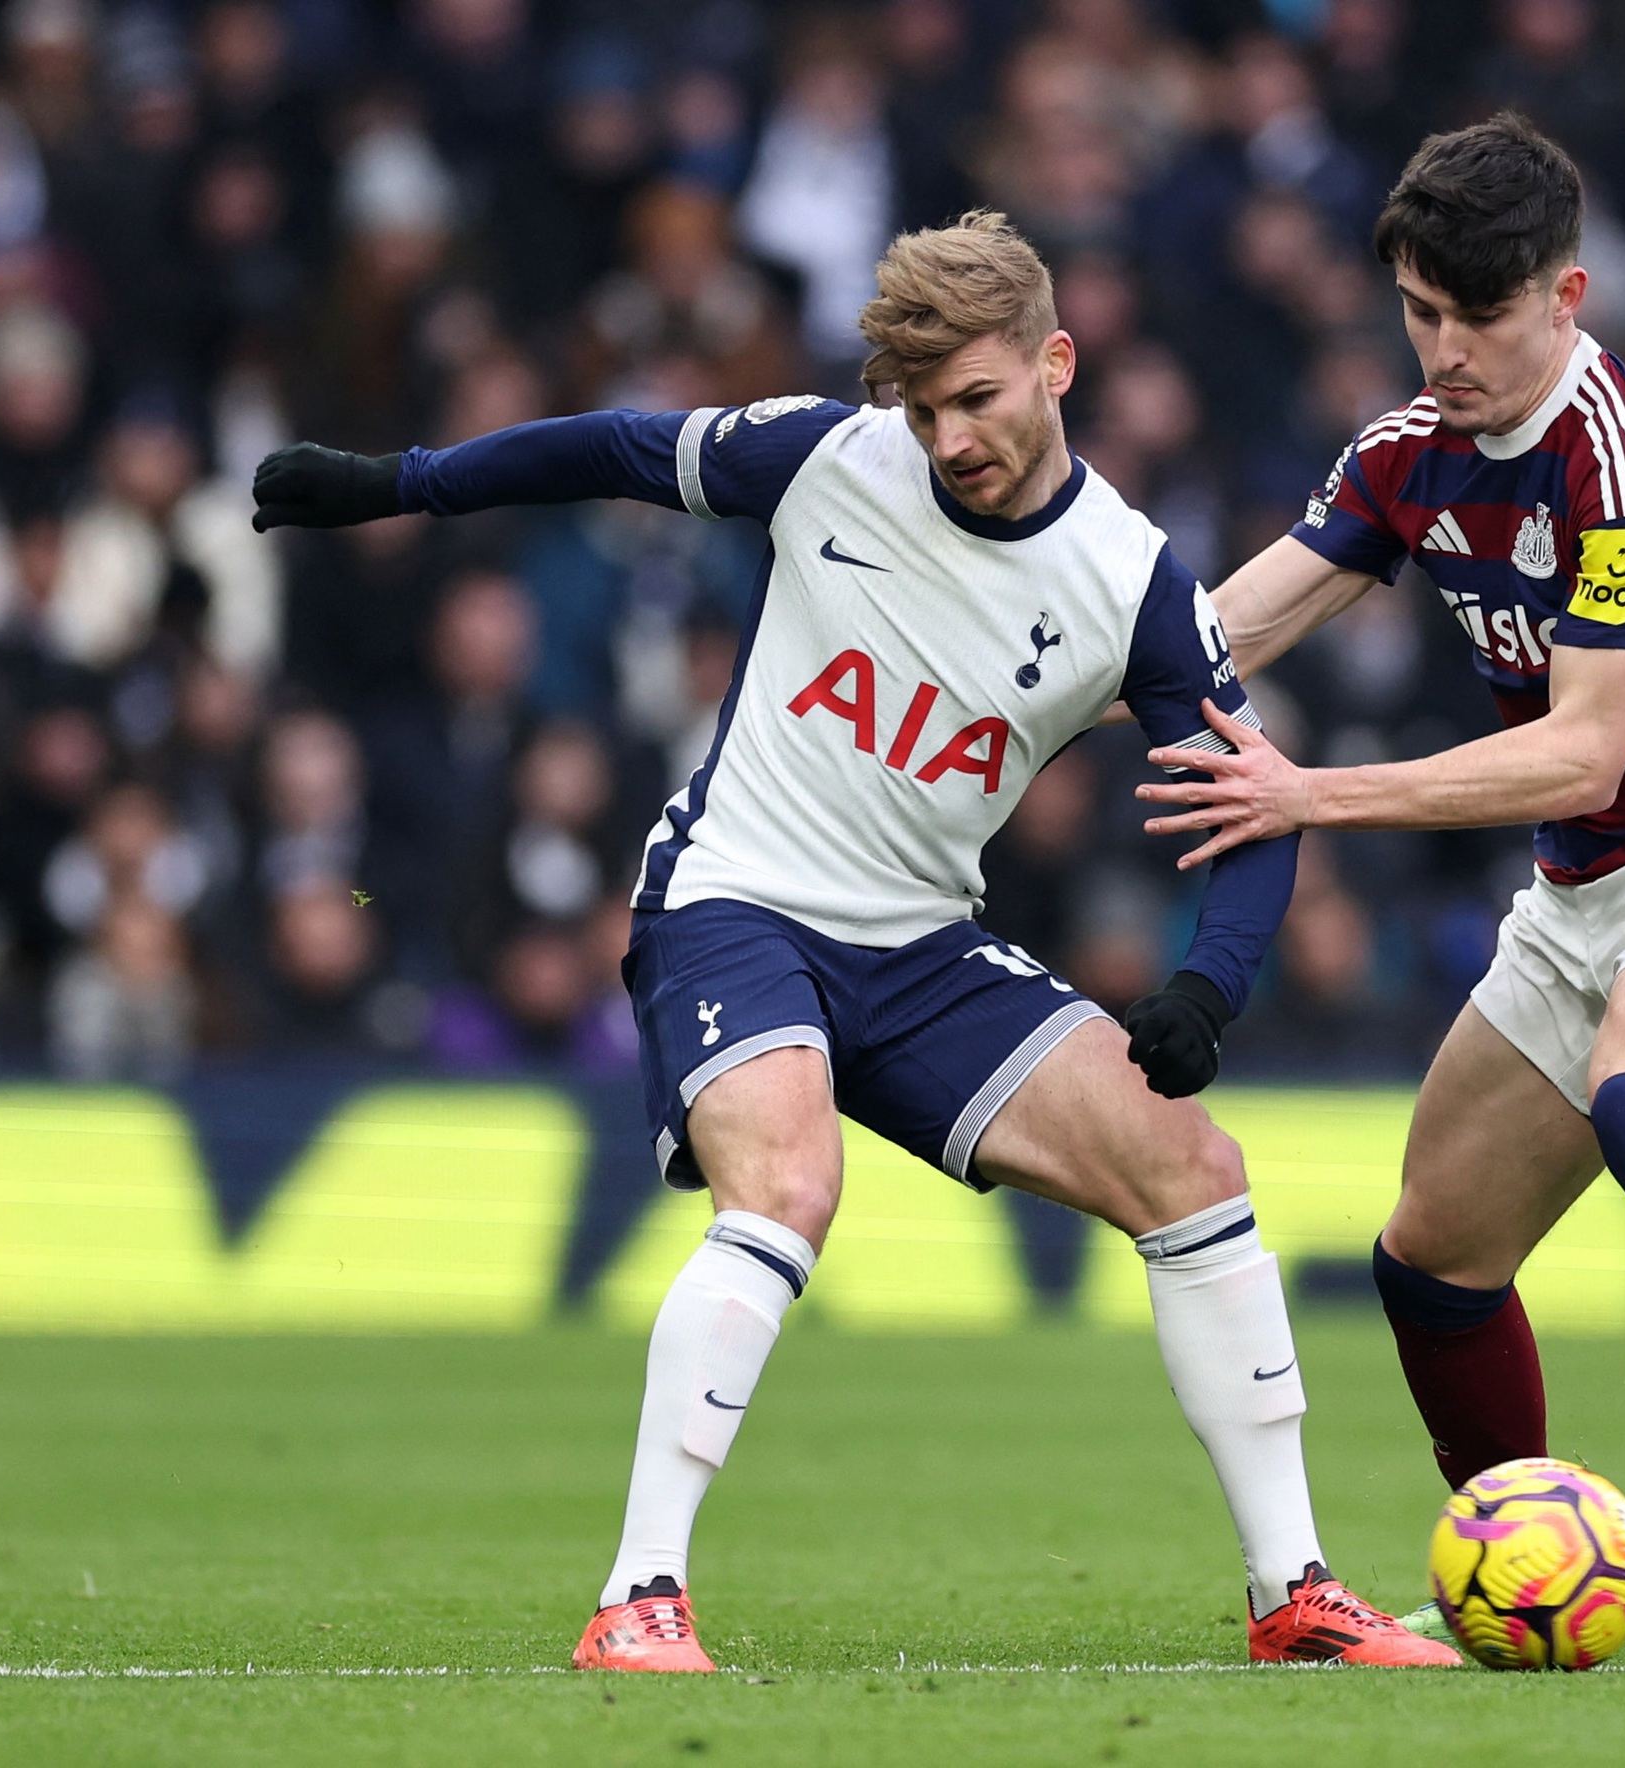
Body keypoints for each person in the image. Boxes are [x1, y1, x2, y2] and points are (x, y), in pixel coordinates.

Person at [249, 211, 1456, 1674]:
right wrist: (402, 485)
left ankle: (1296, 1593)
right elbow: (625, 448)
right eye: (925, 407)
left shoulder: (1134, 584)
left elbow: (1253, 805)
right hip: (734, 902)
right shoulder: (830, 455)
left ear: (1057, 364)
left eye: (979, 399)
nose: (948, 437)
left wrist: (1211, 985)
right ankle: (639, 1598)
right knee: (789, 1183)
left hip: (916, 945)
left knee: (1193, 1170)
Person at [1140, 117, 1625, 1642]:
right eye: (1420, 313)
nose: (1444, 351)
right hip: (1583, 897)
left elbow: (1581, 753)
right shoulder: (1403, 457)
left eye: (1480, 318)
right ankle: (1520, 1575)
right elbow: (1206, 637)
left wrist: (1309, 794)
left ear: (1565, 297)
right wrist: (1013, 674)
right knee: (1432, 1257)